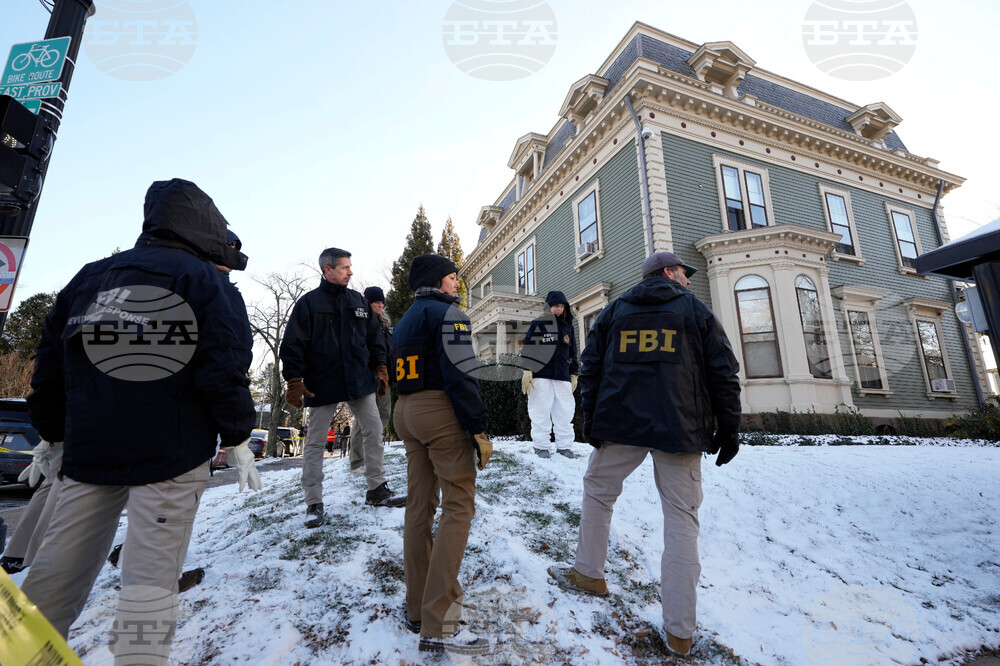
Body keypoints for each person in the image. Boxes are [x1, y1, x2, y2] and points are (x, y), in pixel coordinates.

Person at [20, 179, 256, 665]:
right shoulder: (207, 282)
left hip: (90, 452)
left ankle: (21, 656)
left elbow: (49, 367)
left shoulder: (90, 278)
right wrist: (237, 435)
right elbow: (223, 368)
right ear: (205, 225)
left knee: (53, 577)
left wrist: (53, 433)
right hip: (171, 454)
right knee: (149, 587)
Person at [547, 251, 742, 658]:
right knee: (682, 519)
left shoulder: (615, 310)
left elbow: (591, 365)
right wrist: (729, 426)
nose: (688, 280)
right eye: (683, 273)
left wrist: (591, 418)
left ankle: (588, 573)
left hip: (622, 424)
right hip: (679, 428)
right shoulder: (695, 311)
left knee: (598, 492)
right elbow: (722, 369)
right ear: (667, 273)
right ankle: (679, 633)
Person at [393, 254, 493, 656]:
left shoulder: (403, 320)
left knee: (419, 507)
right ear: (437, 281)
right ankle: (440, 622)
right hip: (439, 411)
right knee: (458, 505)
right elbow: (461, 372)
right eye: (453, 278)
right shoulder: (449, 315)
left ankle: (417, 608)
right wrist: (477, 425)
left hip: (406, 411)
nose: (458, 284)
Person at [279, 248, 404, 526]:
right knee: (315, 442)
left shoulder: (358, 301)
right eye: (345, 267)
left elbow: (375, 339)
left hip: (360, 380)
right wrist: (294, 380)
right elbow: (292, 344)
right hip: (322, 383)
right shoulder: (308, 303)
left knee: (374, 430)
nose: (350, 272)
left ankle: (377, 489)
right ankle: (313, 503)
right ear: (328, 269)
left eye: (350, 266)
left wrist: (381, 368)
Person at [521, 291, 579, 459]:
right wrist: (527, 369)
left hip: (562, 376)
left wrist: (574, 373)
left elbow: (573, 353)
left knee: (565, 413)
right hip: (541, 375)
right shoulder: (538, 324)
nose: (558, 309)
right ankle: (541, 447)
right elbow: (528, 348)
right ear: (548, 306)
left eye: (561, 306)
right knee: (540, 412)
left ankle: (565, 447)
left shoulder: (568, 328)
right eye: (555, 306)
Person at [348, 286, 394, 473]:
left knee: (383, 415)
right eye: (376, 302)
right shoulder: (359, 323)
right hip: (365, 377)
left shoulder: (386, 326)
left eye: (382, 302)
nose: (380, 305)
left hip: (385, 378)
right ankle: (357, 461)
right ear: (368, 303)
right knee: (363, 420)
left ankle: (372, 456)